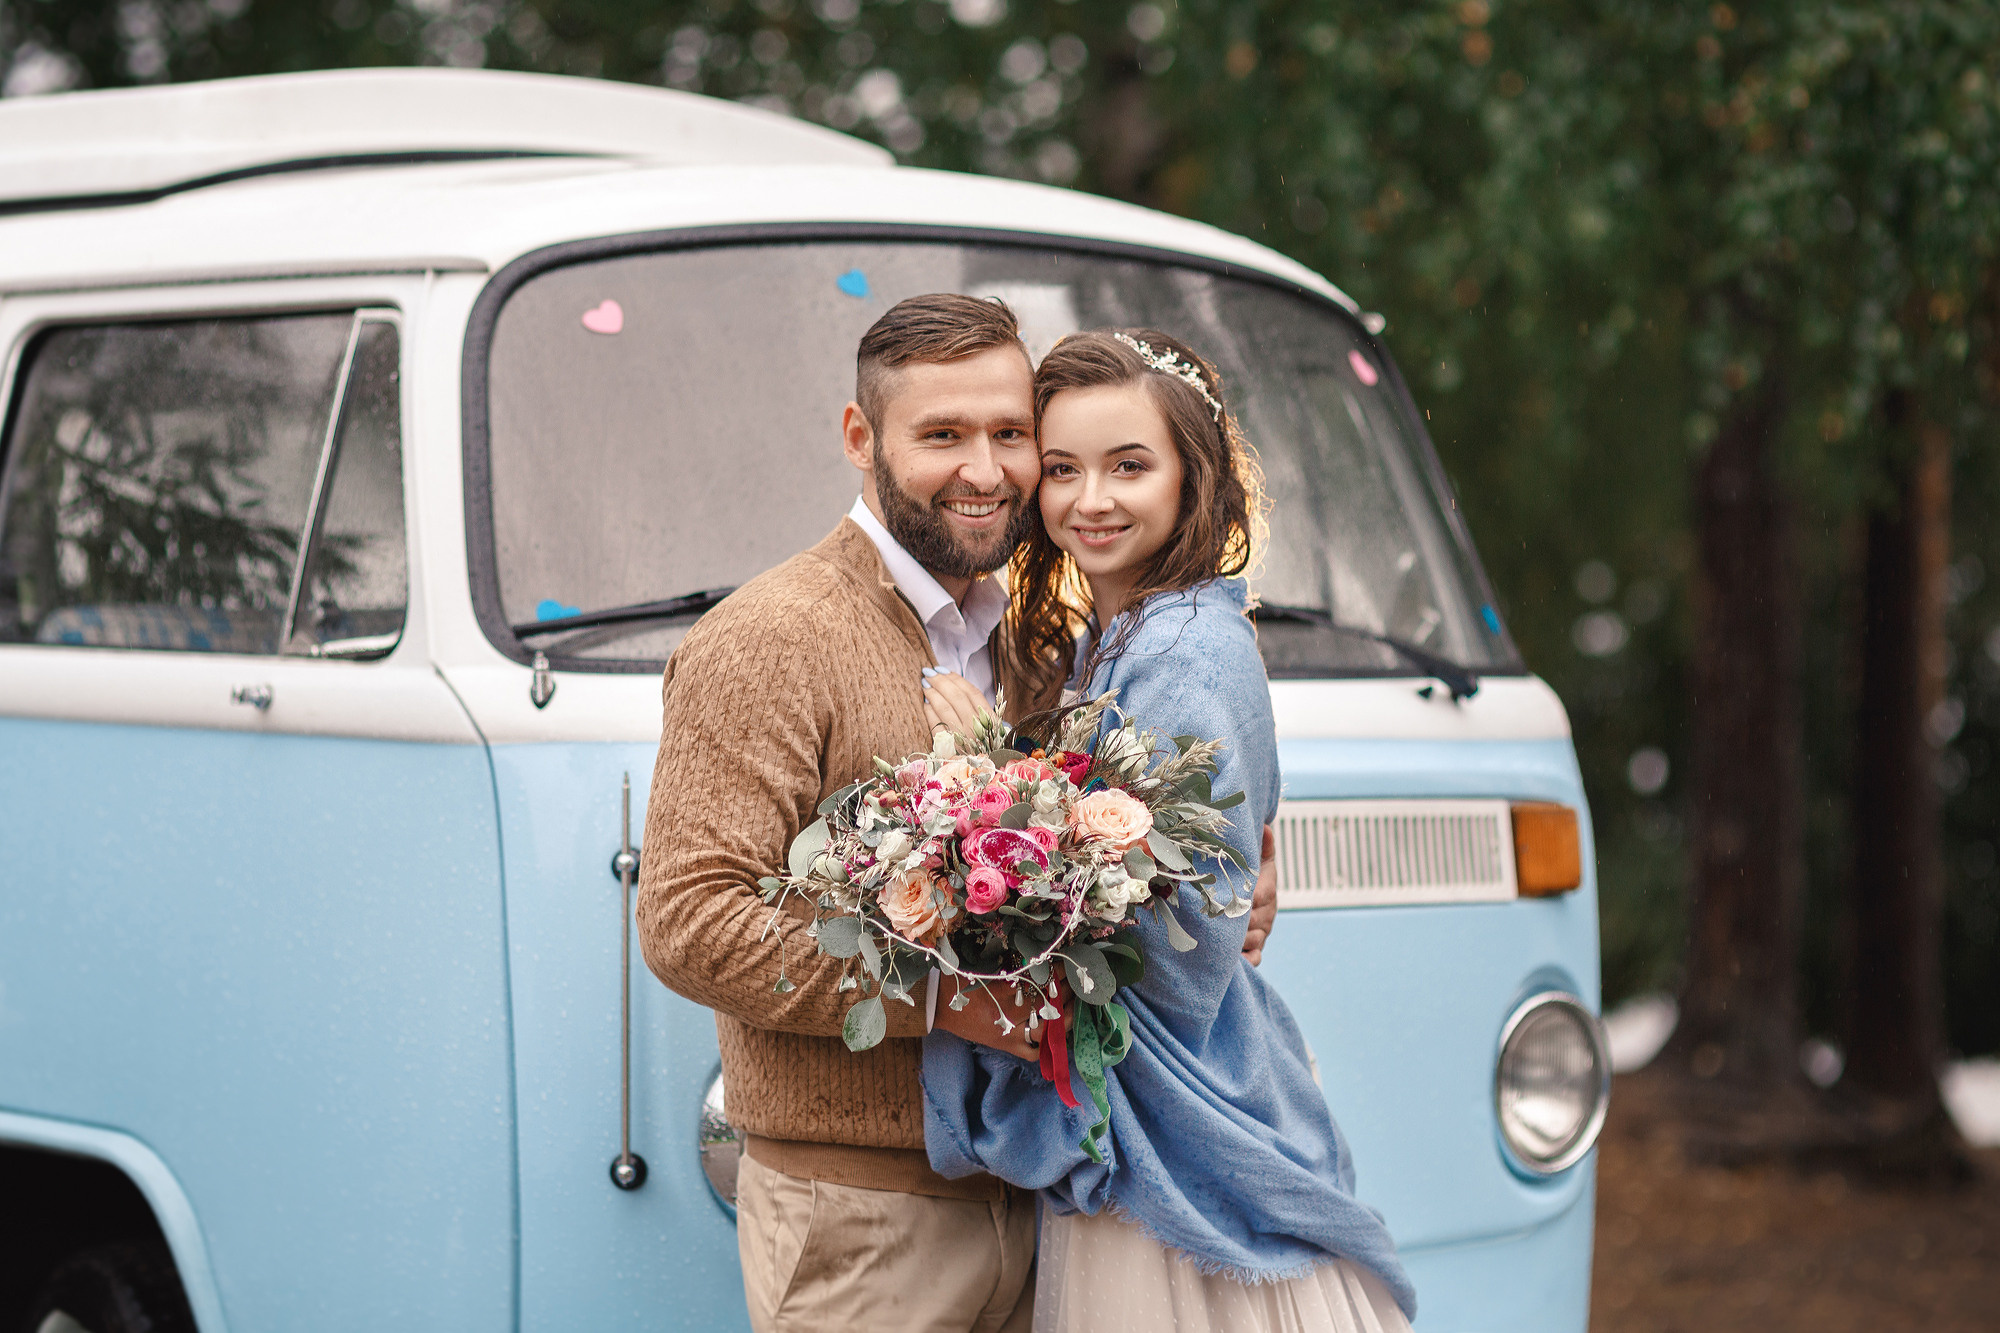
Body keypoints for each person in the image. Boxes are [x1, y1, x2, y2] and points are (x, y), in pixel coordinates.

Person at [637, 295, 1279, 1332]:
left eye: (1010, 435)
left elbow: (1124, 808)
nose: (984, 470)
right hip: (860, 1219)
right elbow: (687, 920)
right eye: (940, 435)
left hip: (1039, 1206)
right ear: (861, 439)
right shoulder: (766, 638)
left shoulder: (1031, 643)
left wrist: (1228, 855)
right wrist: (934, 1000)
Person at [919, 329, 1418, 1333]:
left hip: (1170, 1103)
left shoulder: (1182, 650)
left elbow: (1176, 951)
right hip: (1152, 1084)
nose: (1088, 498)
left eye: (1128, 465)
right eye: (1061, 469)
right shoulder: (1126, 636)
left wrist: (988, 776)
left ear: (1194, 476)